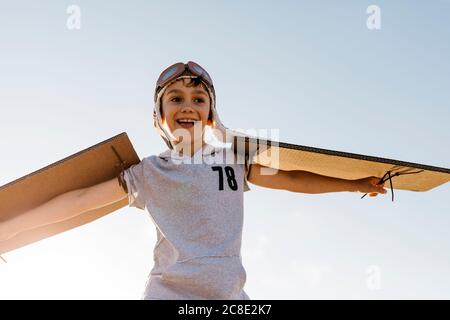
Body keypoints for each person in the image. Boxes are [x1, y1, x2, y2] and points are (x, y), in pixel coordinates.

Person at [0, 61, 387, 299]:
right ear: (159, 118)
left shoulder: (233, 162)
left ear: (210, 115)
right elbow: (78, 200)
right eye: (176, 98)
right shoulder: (149, 173)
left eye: (199, 100)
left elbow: (293, 178)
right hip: (168, 295)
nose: (188, 105)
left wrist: (353, 183)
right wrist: (11, 228)